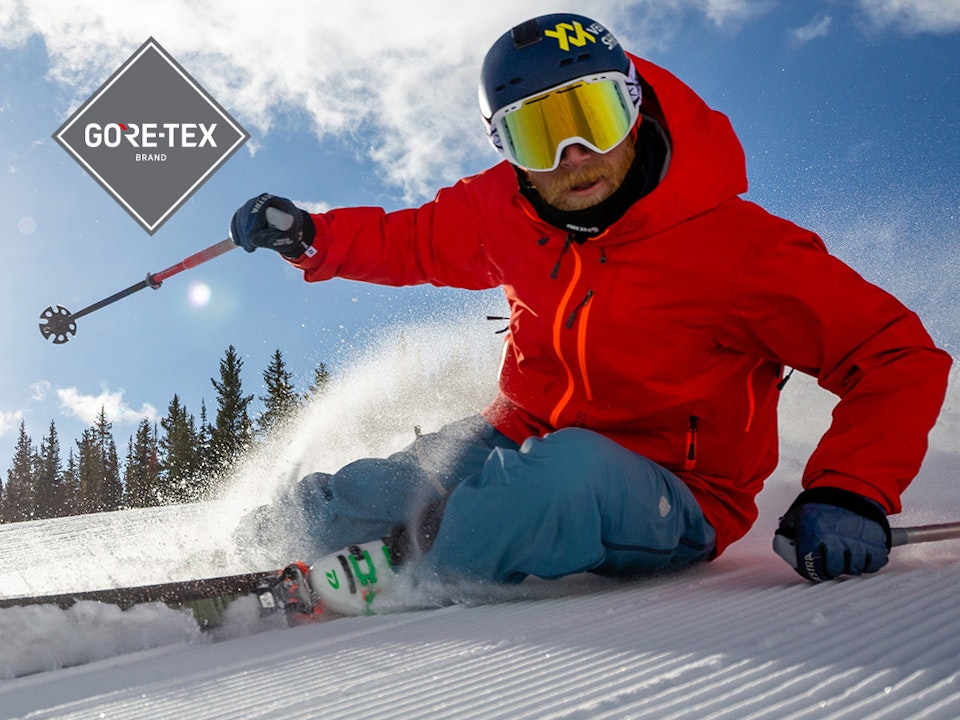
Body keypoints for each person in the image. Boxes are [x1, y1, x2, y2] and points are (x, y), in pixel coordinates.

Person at [230, 13, 951, 612]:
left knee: (553, 482)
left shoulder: (736, 249)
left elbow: (895, 354)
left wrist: (849, 487)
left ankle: (401, 575)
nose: (575, 157)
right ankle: (240, 563)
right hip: (518, 433)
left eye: (595, 118)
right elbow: (413, 240)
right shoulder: (504, 209)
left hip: (676, 489)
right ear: (505, 147)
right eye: (538, 135)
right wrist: (312, 236)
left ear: (634, 106)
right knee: (355, 499)